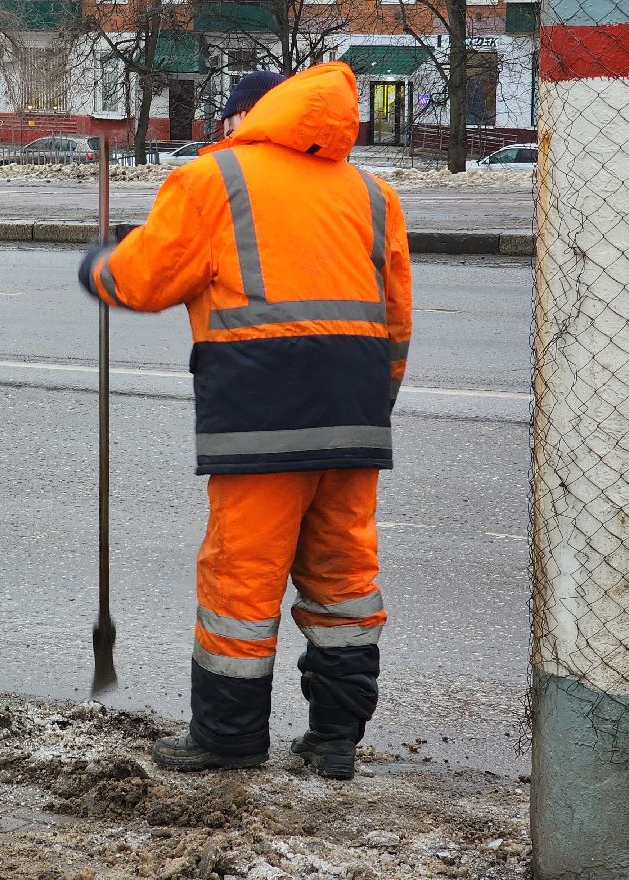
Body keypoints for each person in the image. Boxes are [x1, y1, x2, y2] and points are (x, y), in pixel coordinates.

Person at [78, 65, 412, 780]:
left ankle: (229, 738)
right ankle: (334, 741)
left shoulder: (215, 180)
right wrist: (368, 408)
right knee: (345, 577)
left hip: (261, 414)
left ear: (241, 119)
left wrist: (100, 267)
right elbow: (396, 322)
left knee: (242, 580)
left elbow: (146, 278)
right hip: (354, 418)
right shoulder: (373, 195)